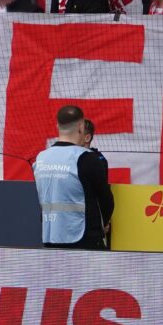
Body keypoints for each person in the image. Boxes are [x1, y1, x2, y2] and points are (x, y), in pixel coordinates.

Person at [32, 104, 113, 249]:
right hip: (84, 237)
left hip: (51, 236)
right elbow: (106, 200)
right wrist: (102, 224)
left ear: (57, 125)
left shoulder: (41, 158)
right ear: (81, 126)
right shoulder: (87, 158)